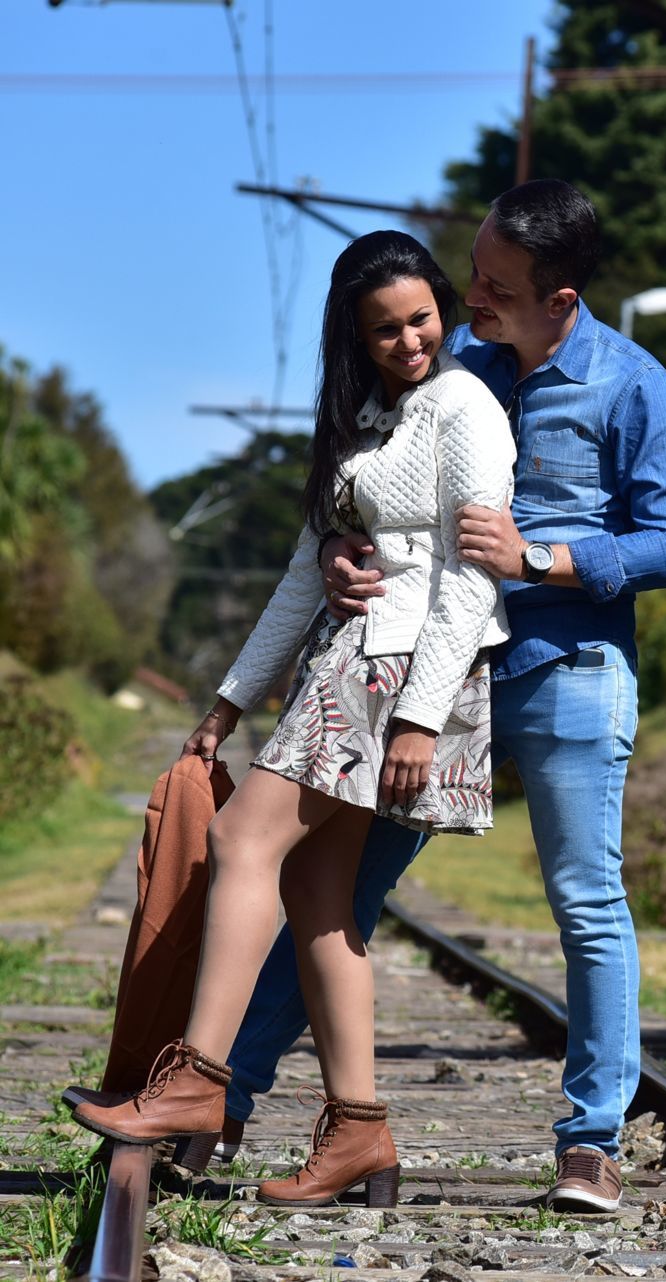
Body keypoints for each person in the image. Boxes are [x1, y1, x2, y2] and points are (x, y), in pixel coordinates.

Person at [206, 180, 666, 1213]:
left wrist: (549, 556)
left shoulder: (632, 384)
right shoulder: (458, 373)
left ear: (559, 298)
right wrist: (348, 554)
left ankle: (591, 1142)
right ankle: (229, 1099)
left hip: (570, 674)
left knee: (586, 904)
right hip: (446, 680)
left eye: (493, 283)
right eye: (471, 272)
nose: (466, 293)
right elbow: (382, 502)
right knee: (335, 892)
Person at [68, 231, 516, 1210]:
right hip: (347, 665)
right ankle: (359, 1129)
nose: (410, 341)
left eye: (420, 318)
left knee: (243, 836)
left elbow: (469, 573)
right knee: (319, 896)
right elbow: (301, 570)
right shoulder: (362, 417)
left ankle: (196, 1079)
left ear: (439, 307)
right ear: (356, 337)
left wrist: (420, 720)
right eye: (386, 328)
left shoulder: (465, 405)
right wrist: (230, 697)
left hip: (402, 676)